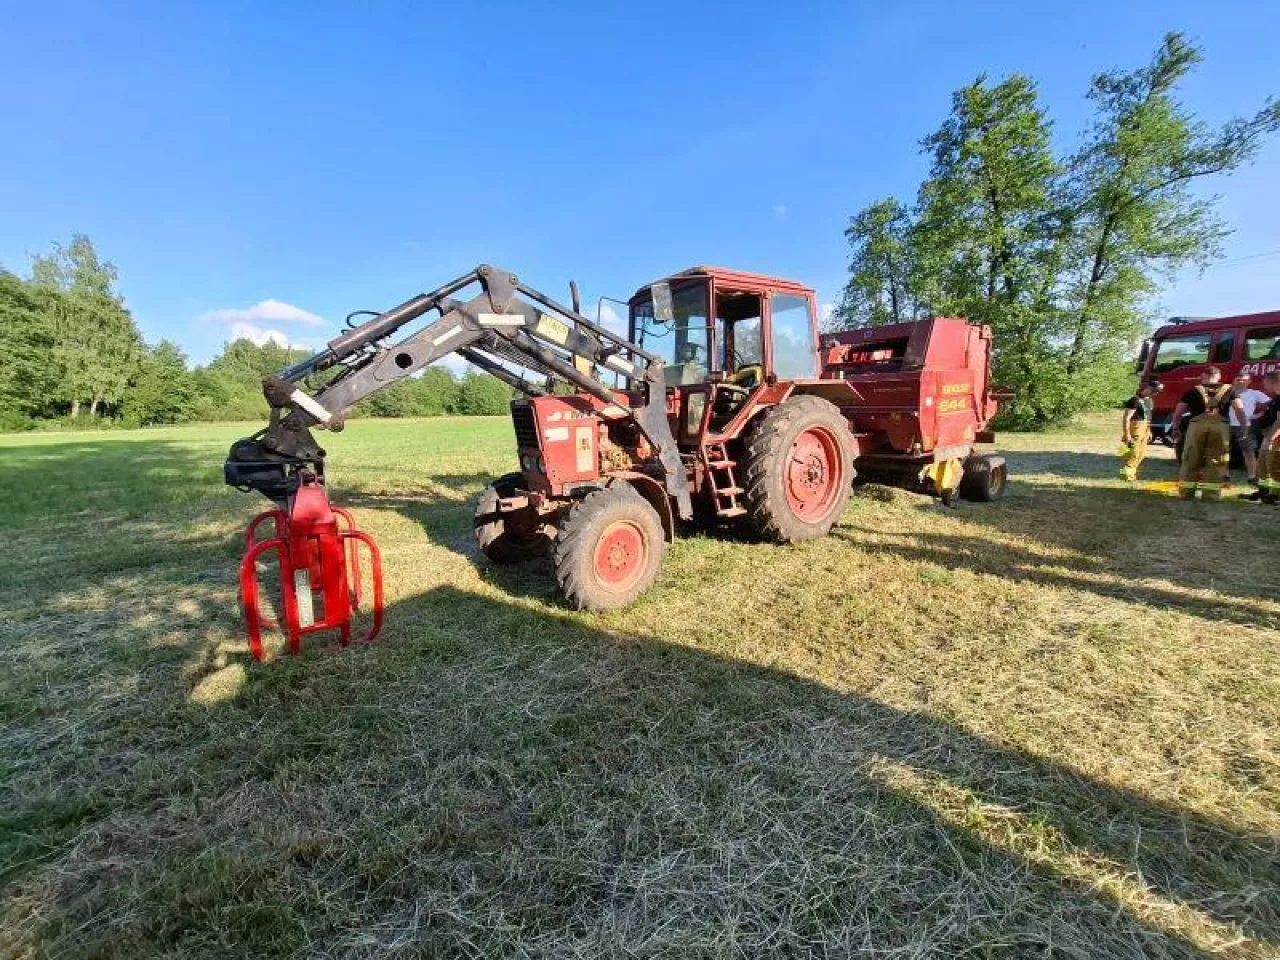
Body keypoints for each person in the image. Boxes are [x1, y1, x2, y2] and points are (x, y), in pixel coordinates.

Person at [1171, 367, 1247, 500]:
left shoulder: (1193, 390)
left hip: (1196, 427)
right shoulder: (1230, 390)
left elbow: (1178, 412)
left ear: (1203, 376)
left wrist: (1175, 428)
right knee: (1217, 460)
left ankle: (1186, 493)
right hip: (1220, 427)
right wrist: (1244, 427)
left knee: (1191, 457)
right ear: (1219, 376)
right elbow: (1239, 411)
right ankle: (1211, 495)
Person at [1245, 371, 1280, 505]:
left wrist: (1271, 439)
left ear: (1274, 382)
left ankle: (1276, 496)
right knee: (1263, 466)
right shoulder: (1275, 398)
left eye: (1265, 382)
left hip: (1275, 437)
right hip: (1269, 435)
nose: (1264, 385)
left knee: (1275, 466)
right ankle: (1263, 492)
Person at [1228, 373, 1270, 486]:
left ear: (1249, 381)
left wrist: (1260, 414)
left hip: (1246, 426)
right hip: (1226, 425)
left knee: (1248, 452)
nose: (1241, 381)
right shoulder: (1226, 392)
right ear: (1234, 380)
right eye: (1238, 379)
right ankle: (1224, 474)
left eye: (1244, 380)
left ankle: (1252, 476)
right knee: (1223, 450)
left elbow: (1271, 404)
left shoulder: (1254, 393)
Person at [1119, 379, 1161, 482]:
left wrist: (1149, 430)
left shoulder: (1149, 401)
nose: (1155, 393)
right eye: (1154, 391)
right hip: (1135, 428)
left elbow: (1149, 417)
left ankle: (1131, 475)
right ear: (1147, 388)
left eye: (1157, 392)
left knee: (1141, 454)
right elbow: (1126, 418)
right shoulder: (1134, 400)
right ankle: (1125, 476)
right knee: (1133, 453)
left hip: (1145, 428)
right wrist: (1127, 434)